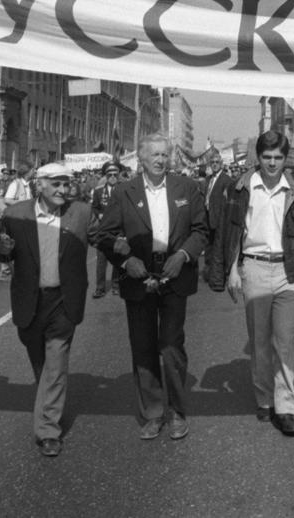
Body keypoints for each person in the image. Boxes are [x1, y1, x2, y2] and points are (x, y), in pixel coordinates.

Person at [215, 132, 294, 437]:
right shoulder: (242, 187)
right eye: (267, 157)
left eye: (278, 157)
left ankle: (286, 407)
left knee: (285, 343)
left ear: (285, 158)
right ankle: (264, 399)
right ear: (258, 157)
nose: (272, 163)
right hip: (253, 268)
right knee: (260, 342)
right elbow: (231, 232)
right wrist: (231, 270)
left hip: (288, 271)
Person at [95, 134, 207, 441]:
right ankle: (153, 413)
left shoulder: (187, 188)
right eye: (154, 155)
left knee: (171, 345)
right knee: (143, 347)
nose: (160, 160)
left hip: (175, 275)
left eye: (164, 155)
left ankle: (179, 412)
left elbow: (201, 230)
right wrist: (126, 259)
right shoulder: (123, 192)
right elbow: (104, 235)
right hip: (138, 276)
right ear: (140, 160)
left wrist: (184, 255)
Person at [0, 163, 90, 457]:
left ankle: (48, 430)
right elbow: (2, 251)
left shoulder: (81, 213)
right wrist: (4, 249)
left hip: (64, 298)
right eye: (56, 184)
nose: (63, 190)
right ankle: (49, 399)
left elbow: (104, 236)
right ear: (40, 185)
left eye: (66, 184)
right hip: (30, 300)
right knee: (41, 362)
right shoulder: (16, 214)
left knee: (56, 360)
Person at [200, 149, 233, 291]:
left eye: (217, 162)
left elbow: (228, 202)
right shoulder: (208, 180)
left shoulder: (226, 180)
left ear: (221, 164)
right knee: (209, 247)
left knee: (219, 248)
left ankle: (220, 275)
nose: (214, 164)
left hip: (220, 219)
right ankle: (209, 273)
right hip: (208, 217)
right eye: (212, 162)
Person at [90, 163, 122, 298]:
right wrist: (99, 214)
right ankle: (100, 288)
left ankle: (116, 285)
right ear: (106, 176)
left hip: (118, 230)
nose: (113, 177)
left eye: (115, 175)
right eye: (110, 175)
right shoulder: (98, 191)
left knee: (118, 259)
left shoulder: (123, 189)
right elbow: (94, 207)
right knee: (101, 261)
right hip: (103, 231)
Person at [0, 163, 34, 281]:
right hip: (15, 218)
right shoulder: (16, 184)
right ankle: (5, 272)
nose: (34, 172)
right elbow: (7, 199)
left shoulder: (28, 185)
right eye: (33, 170)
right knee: (10, 244)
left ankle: (20, 270)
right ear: (27, 172)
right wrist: (22, 204)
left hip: (24, 218)